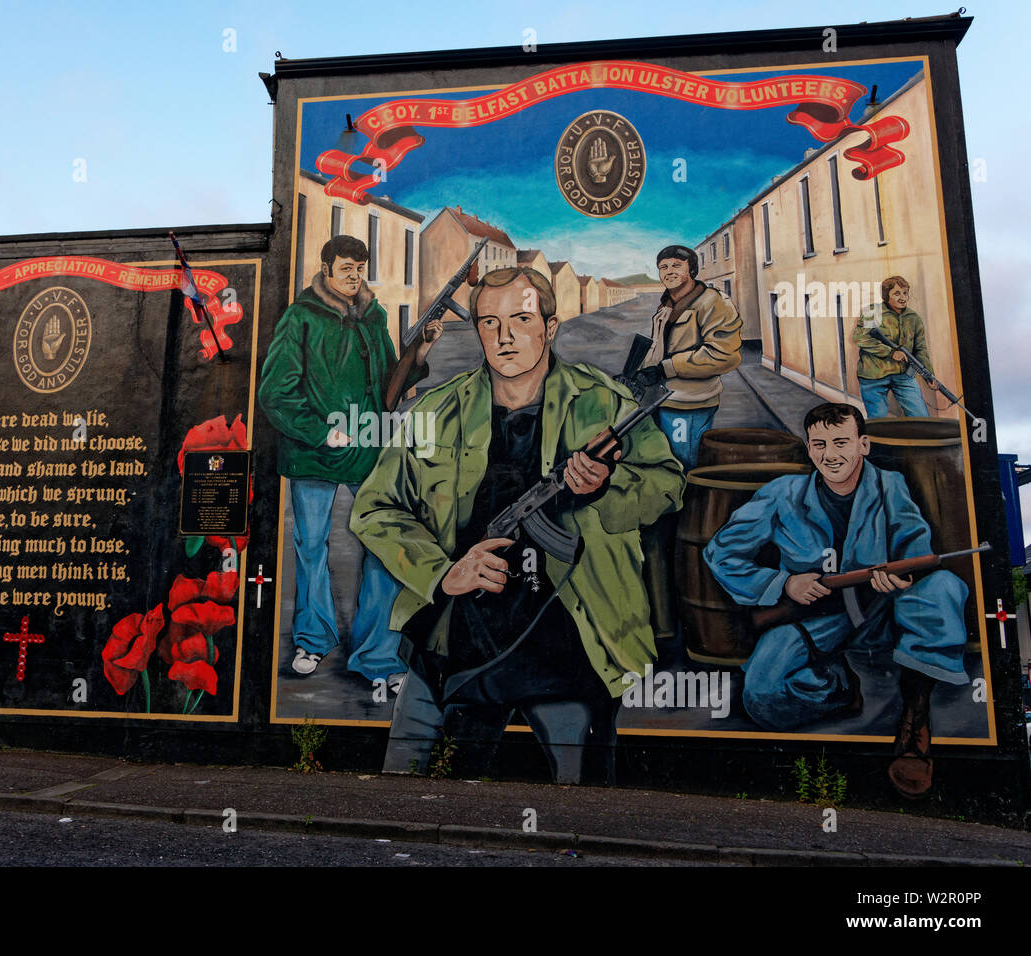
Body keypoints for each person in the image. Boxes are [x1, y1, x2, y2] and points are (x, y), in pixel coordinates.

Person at [350, 266, 685, 784]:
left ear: (550, 328)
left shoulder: (603, 403)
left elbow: (666, 487)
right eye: (489, 322)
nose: (504, 337)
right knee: (406, 790)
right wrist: (442, 573)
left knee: (582, 804)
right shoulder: (438, 410)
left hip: (572, 634)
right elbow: (375, 508)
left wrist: (604, 486)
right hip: (454, 638)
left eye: (521, 319)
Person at [703, 402, 969, 797]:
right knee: (762, 697)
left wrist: (898, 574)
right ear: (809, 450)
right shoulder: (783, 494)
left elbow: (915, 545)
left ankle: (915, 718)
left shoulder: (889, 485)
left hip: (881, 611)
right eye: (820, 444)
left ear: (863, 445)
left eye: (841, 442)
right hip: (816, 617)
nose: (830, 455)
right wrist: (783, 584)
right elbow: (721, 552)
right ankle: (840, 690)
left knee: (942, 587)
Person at [257, 235, 440, 698]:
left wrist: (419, 355)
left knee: (381, 547)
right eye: (346, 267)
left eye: (360, 266)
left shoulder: (374, 316)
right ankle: (313, 640)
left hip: (366, 451)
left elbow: (389, 385)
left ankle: (377, 656)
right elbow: (275, 394)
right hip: (313, 454)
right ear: (325, 268)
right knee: (312, 547)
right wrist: (322, 430)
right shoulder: (299, 318)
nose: (354, 275)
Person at [630, 244, 742, 471]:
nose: (668, 271)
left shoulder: (713, 302)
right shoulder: (666, 306)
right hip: (659, 400)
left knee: (683, 465)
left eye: (676, 266)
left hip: (690, 403)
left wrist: (667, 369)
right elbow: (658, 350)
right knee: (662, 464)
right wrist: (637, 374)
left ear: (692, 269)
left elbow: (724, 354)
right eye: (663, 267)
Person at [853, 276, 937, 419]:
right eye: (897, 293)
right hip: (874, 375)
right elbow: (860, 338)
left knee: (921, 417)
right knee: (878, 420)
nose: (903, 297)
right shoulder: (872, 311)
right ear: (887, 296)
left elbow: (920, 349)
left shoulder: (913, 318)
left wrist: (928, 375)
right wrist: (890, 352)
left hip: (903, 375)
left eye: (905, 293)